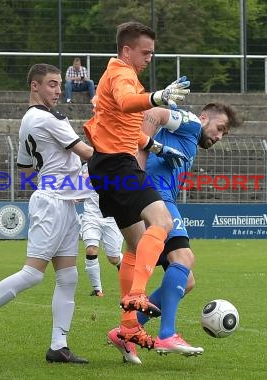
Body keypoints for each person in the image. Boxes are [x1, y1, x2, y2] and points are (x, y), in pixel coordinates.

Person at [0, 63, 93, 364]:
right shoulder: (49, 118)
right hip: (54, 202)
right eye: (52, 85)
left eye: (59, 85)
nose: (58, 90)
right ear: (35, 86)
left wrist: (53, 181)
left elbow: (24, 171)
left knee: (68, 277)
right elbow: (87, 154)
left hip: (62, 200)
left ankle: (59, 346)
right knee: (33, 274)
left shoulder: (28, 120)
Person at [83, 21, 190, 353]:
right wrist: (156, 97)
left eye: (152, 53)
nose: (149, 58)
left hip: (107, 164)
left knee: (133, 247)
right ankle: (136, 296)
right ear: (127, 50)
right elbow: (130, 102)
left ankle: (129, 328)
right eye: (145, 53)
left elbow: (122, 123)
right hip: (118, 165)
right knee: (162, 222)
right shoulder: (121, 74)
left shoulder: (119, 74)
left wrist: (157, 148)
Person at [107, 103, 240, 363]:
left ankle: (126, 332)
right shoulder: (191, 122)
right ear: (204, 118)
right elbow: (153, 114)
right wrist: (139, 162)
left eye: (224, 134)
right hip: (156, 198)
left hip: (155, 199)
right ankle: (167, 333)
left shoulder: (186, 135)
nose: (219, 136)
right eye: (219, 128)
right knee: (184, 258)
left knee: (186, 281)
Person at [81, 189, 124, 297]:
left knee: (114, 259)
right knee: (91, 250)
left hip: (112, 218)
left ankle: (124, 266)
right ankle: (97, 289)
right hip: (91, 216)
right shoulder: (83, 171)